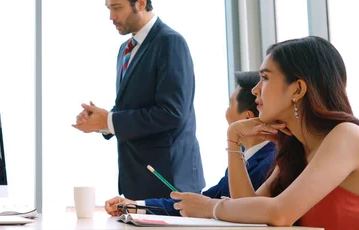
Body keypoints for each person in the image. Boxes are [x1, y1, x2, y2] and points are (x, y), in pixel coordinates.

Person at [172, 36, 359, 229]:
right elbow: (248, 211)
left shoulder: (347, 136)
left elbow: (280, 213)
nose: (255, 90)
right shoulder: (297, 150)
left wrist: (210, 206)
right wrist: (234, 138)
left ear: (298, 89)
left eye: (265, 78)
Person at [72, 0, 204, 200]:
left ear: (140, 3)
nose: (111, 16)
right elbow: (132, 109)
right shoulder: (125, 49)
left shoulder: (170, 43)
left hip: (169, 182)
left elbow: (172, 113)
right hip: (137, 182)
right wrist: (101, 122)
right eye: (108, 8)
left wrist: (110, 120)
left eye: (117, 7)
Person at [105, 71, 276, 216]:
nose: (226, 111)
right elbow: (201, 201)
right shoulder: (244, 157)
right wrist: (136, 205)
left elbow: (240, 209)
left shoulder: (270, 162)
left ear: (246, 117)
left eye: (229, 104)